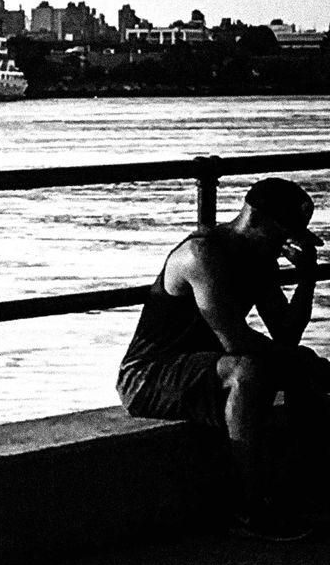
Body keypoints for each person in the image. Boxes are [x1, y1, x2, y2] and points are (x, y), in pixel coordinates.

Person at [117, 176, 328, 540]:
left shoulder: (261, 260)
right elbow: (234, 341)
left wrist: (307, 278)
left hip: (205, 367)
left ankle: (306, 485)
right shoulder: (202, 255)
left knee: (299, 364)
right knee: (248, 371)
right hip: (151, 375)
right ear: (256, 219)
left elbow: (286, 334)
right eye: (282, 235)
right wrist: (297, 361)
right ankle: (250, 509)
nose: (284, 246)